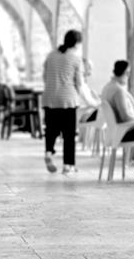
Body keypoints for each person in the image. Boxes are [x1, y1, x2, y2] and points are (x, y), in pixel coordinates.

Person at [42, 29, 85, 175]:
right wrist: (82, 98)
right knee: (69, 134)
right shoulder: (75, 58)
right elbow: (79, 83)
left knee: (51, 129)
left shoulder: (51, 55)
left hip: (49, 98)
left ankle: (48, 152)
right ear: (77, 43)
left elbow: (44, 77)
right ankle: (68, 166)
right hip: (68, 99)